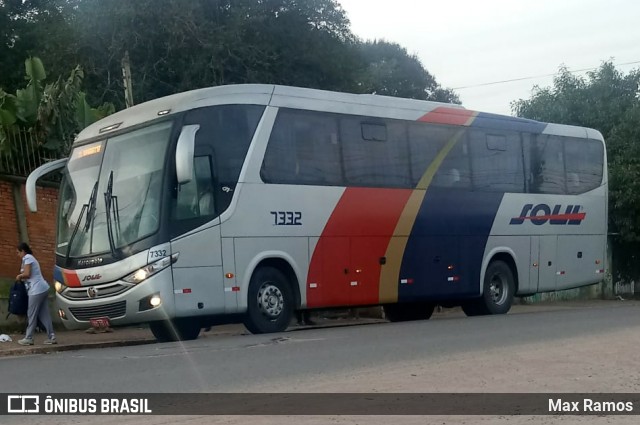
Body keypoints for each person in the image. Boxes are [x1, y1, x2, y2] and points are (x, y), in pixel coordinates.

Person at [15, 242, 57, 346]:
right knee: (44, 314)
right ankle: (51, 336)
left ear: (23, 251)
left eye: (18, 252)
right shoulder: (31, 258)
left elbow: (27, 274)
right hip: (43, 288)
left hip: (36, 290)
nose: (17, 255)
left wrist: (19, 276)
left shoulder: (27, 258)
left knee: (31, 314)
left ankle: (29, 337)